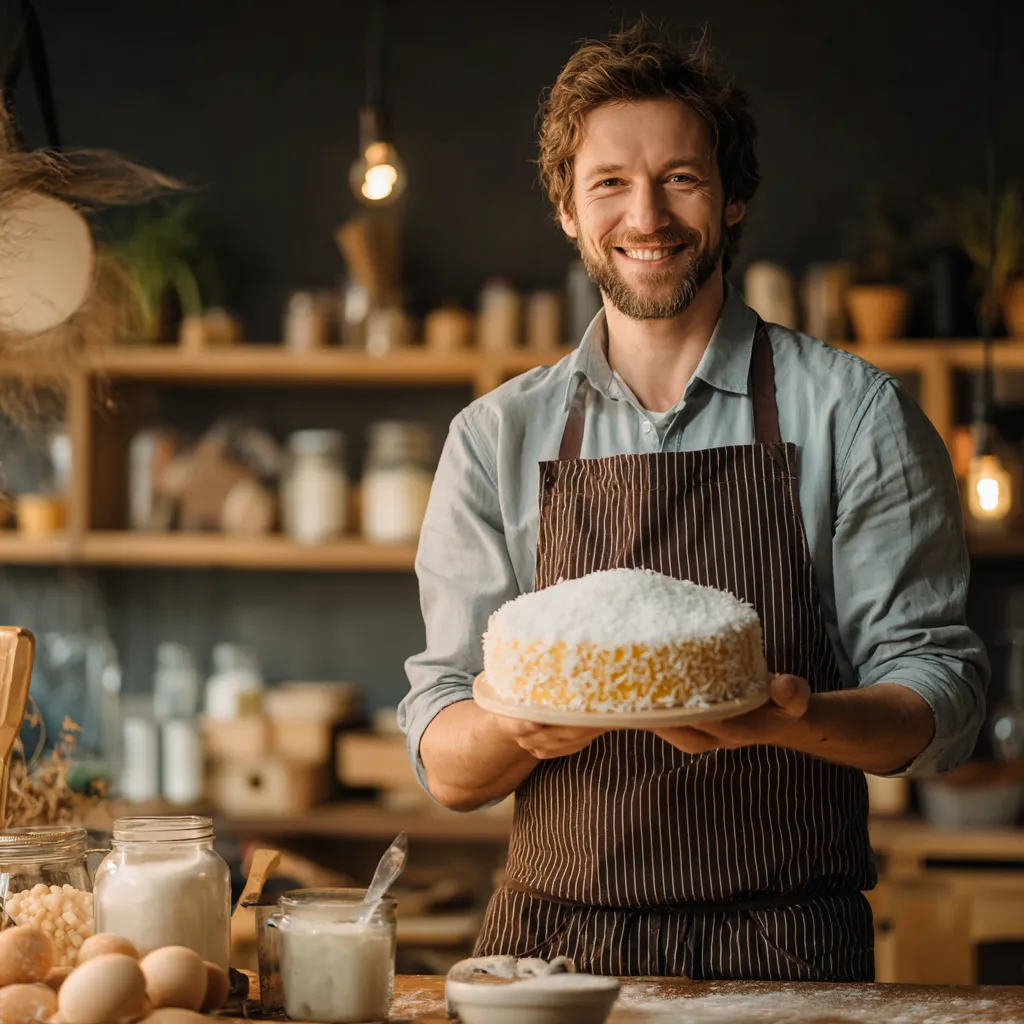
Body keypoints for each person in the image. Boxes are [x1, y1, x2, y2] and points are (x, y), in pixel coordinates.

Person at [399, 22, 988, 981]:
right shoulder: (495, 437)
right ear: (566, 209)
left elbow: (943, 698)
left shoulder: (856, 413)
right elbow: (444, 756)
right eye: (609, 184)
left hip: (785, 952)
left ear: (735, 197)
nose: (648, 215)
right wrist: (513, 727)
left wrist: (790, 722)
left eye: (681, 177)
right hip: (553, 959)